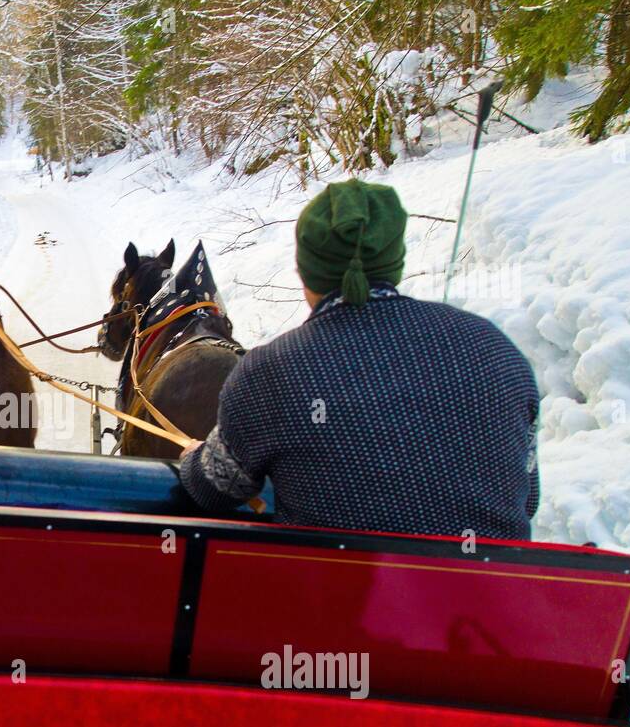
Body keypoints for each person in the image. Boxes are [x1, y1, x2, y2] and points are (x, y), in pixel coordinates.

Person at [179, 179, 540, 540]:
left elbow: (217, 489)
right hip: (491, 589)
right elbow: (527, 498)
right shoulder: (498, 350)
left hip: (342, 592)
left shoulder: (269, 371)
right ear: (394, 261)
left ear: (304, 272)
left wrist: (197, 458)